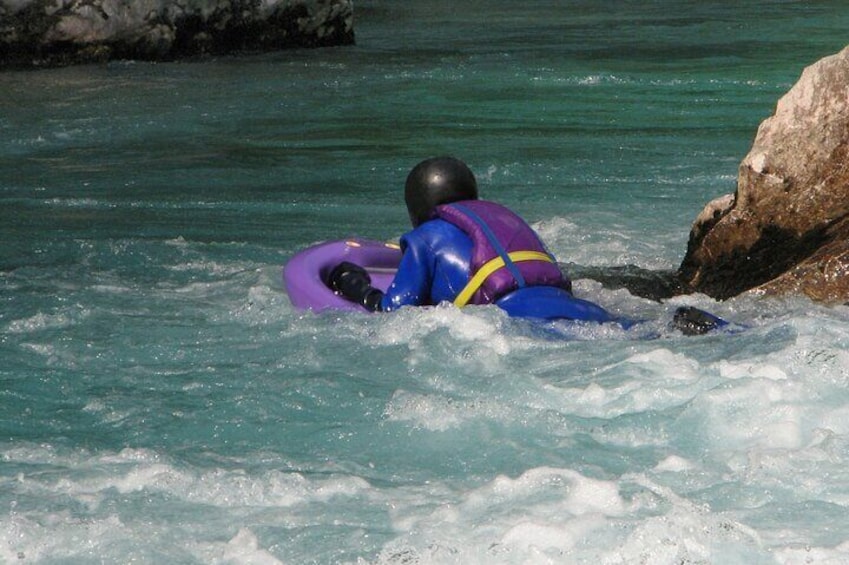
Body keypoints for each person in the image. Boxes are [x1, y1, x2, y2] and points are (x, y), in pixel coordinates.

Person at [328, 156, 725, 334]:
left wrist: (352, 283)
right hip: (578, 307)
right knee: (639, 333)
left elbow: (396, 312)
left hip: (519, 320)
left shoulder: (425, 237)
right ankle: (687, 321)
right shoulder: (505, 221)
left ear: (418, 208)